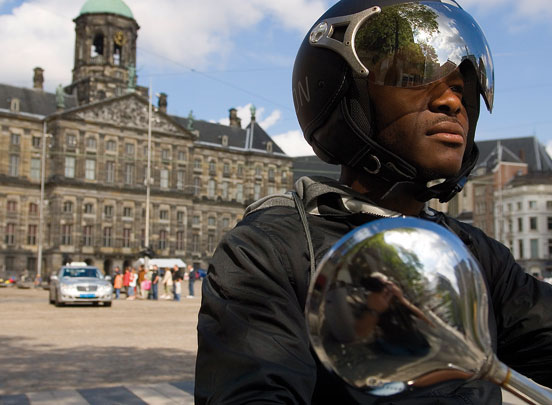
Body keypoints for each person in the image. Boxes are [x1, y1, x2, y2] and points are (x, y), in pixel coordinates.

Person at [195, 1, 552, 403]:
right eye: (415, 75)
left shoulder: (476, 255)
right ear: (344, 94)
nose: (453, 102)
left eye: (462, 88)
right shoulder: (275, 250)